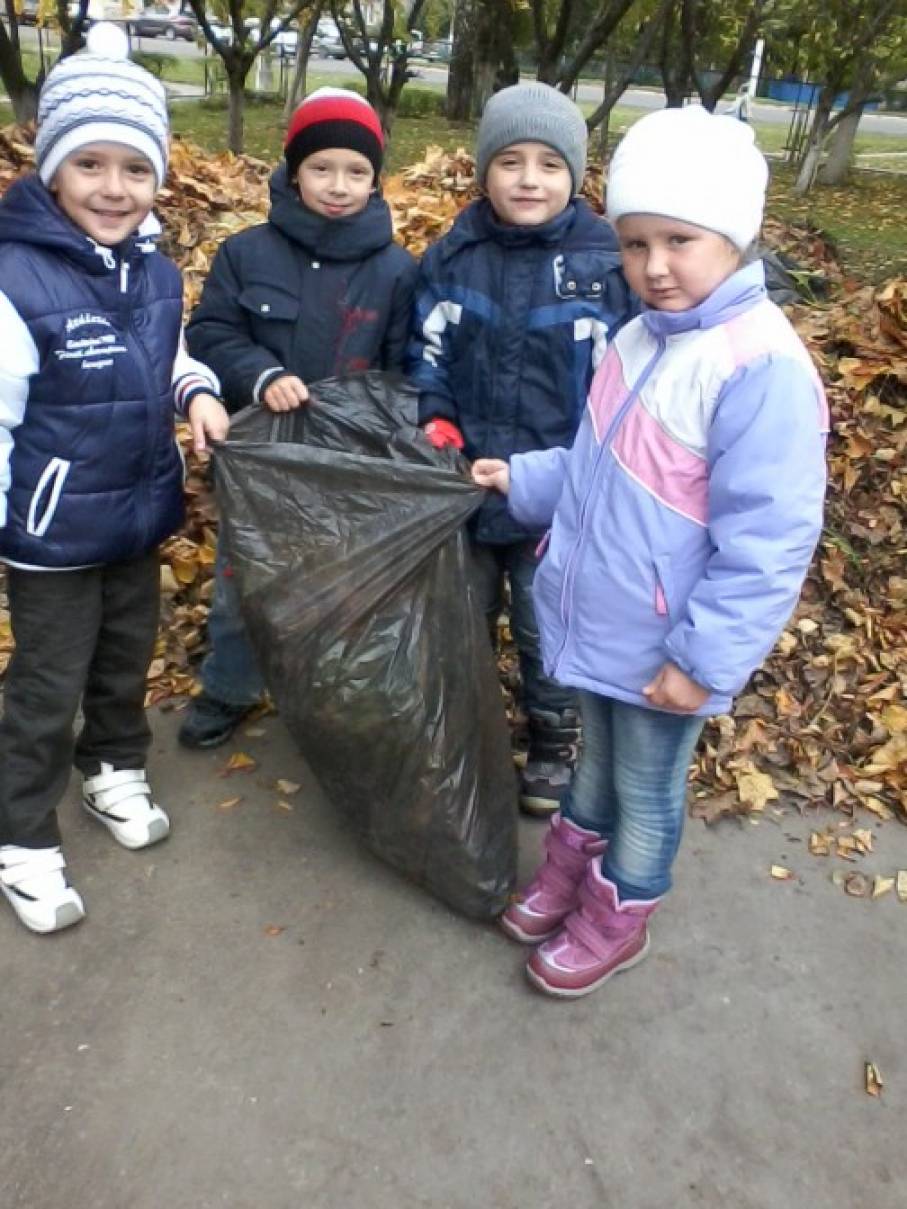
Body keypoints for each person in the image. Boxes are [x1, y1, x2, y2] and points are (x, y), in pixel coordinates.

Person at [472, 105, 828, 997]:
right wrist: (521, 479)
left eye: (679, 240)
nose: (654, 267)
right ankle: (569, 875)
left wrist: (703, 659)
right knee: (596, 760)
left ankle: (619, 910)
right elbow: (601, 466)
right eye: (633, 244)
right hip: (605, 617)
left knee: (645, 778)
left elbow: (768, 540)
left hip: (668, 643)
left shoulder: (759, 367)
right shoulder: (638, 338)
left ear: (735, 240)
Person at [0, 24, 229, 935]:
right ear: (52, 168)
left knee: (124, 654)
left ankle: (113, 768)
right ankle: (21, 834)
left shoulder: (157, 269)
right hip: (53, 535)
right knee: (46, 683)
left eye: (134, 168)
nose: (114, 187)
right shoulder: (16, 279)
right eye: (89, 164)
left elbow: (164, 353)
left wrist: (200, 392)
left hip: (135, 515)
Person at [407, 82, 636, 817]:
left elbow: (624, 382)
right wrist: (434, 417)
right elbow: (427, 351)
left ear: (575, 174)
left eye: (548, 163)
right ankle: (468, 733)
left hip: (558, 494)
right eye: (510, 161)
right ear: (483, 171)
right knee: (463, 620)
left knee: (548, 629)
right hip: (469, 483)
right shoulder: (453, 255)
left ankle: (551, 738)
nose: (528, 179)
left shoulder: (604, 264)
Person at [179, 88, 418, 750]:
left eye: (355, 172)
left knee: (341, 589)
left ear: (375, 180)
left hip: (350, 464)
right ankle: (229, 685)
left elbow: (406, 367)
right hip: (262, 462)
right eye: (321, 168)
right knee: (242, 582)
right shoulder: (246, 254)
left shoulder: (396, 270)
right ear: (291, 171)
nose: (337, 186)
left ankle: (325, 697)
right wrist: (261, 375)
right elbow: (211, 332)